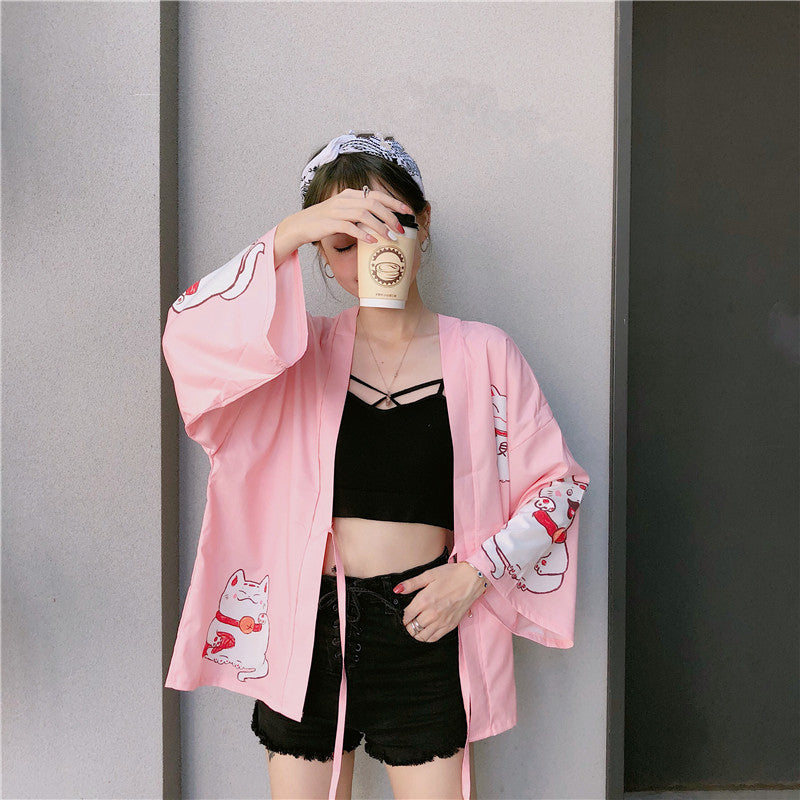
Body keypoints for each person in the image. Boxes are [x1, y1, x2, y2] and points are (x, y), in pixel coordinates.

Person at [161, 131, 590, 800]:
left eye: (389, 224)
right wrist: (287, 234)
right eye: (342, 242)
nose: (370, 254)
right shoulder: (293, 357)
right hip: (306, 627)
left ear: (424, 224)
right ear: (321, 254)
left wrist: (476, 574)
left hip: (423, 624)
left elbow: (558, 487)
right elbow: (189, 338)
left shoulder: (485, 354)